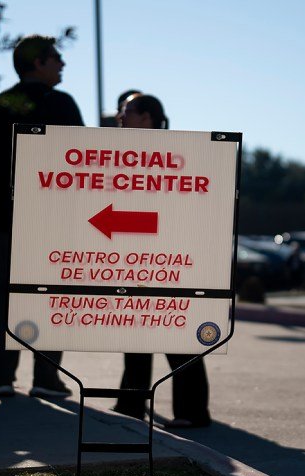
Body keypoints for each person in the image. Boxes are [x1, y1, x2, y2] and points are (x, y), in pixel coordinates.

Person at [0, 34, 84, 398]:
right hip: (54, 218)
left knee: (6, 296)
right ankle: (46, 378)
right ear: (38, 62)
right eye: (56, 57)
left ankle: (1, 376)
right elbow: (82, 157)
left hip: (7, 217)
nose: (62, 64)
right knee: (52, 296)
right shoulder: (62, 103)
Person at [111, 93, 212, 428]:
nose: (119, 118)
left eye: (125, 112)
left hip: (168, 258)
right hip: (136, 256)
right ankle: (130, 404)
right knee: (136, 332)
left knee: (176, 333)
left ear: (147, 118)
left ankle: (192, 410)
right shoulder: (122, 154)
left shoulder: (173, 154)